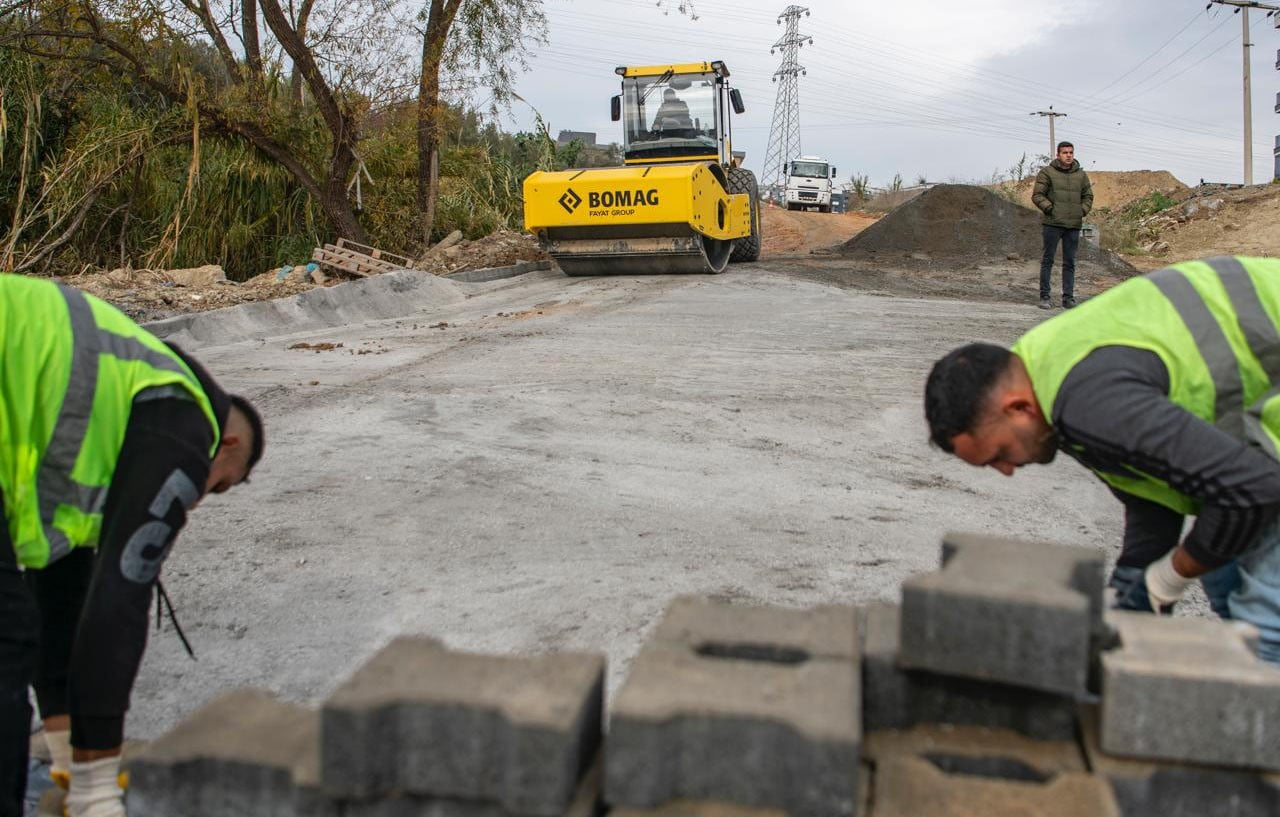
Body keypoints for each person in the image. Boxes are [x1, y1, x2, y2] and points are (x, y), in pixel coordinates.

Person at [923, 255, 1280, 664]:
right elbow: (1153, 496)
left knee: (1265, 626)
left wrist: (1170, 577)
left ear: (1017, 408)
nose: (1006, 471)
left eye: (998, 455)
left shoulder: (1089, 405)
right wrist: (1131, 589)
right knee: (1224, 573)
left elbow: (1253, 491)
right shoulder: (1044, 372)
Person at [0, 274, 264, 816]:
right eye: (217, 485)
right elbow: (118, 604)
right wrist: (98, 792)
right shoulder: (185, 422)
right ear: (227, 443)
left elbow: (61, 598)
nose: (195, 498)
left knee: (17, 624)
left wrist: (69, 764)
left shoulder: (111, 408)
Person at [1031, 142, 1093, 310]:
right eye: (1065, 152)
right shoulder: (1047, 173)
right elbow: (1037, 195)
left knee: (1070, 263)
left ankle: (1068, 298)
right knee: (1048, 260)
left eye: (1071, 152)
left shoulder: (1081, 175)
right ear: (1058, 154)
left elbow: (1088, 196)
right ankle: (1044, 297)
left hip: (1073, 224)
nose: (1068, 155)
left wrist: (1082, 211)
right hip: (1053, 223)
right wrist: (1050, 209)